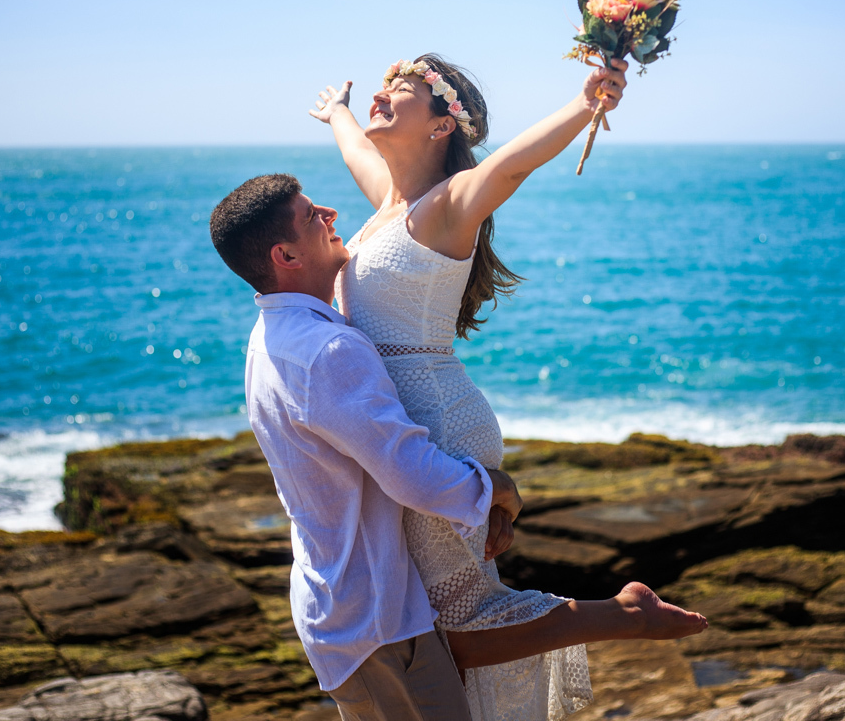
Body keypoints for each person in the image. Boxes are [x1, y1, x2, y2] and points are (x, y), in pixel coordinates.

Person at [211, 172, 709, 721]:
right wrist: (493, 487)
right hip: (372, 620)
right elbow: (410, 474)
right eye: (311, 216)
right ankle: (625, 616)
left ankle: (622, 615)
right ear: (285, 254)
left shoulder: (271, 338)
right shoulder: (327, 349)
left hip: (346, 607)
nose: (329, 214)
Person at [309, 53, 708, 720]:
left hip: (435, 420)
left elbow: (513, 163)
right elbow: (356, 152)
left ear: (442, 126)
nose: (384, 93)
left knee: (459, 628)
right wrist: (340, 111)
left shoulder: (446, 209)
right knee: (437, 627)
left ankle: (624, 613)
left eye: (402, 90)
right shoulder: (388, 204)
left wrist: (588, 104)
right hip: (404, 428)